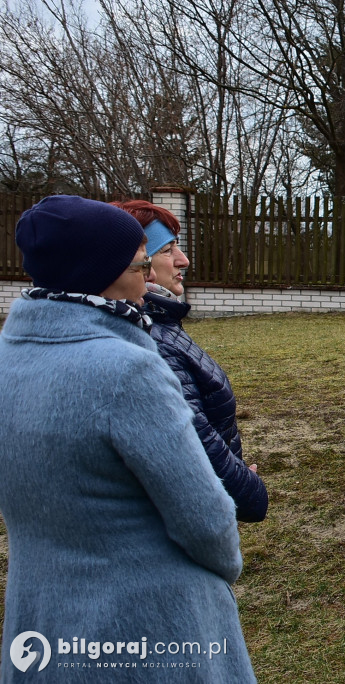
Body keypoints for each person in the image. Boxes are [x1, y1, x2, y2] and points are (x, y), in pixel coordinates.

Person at [0, 195, 255, 679]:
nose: (150, 273)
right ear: (104, 271)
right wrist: (225, 566)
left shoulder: (7, 358)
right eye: (141, 261)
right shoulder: (126, 369)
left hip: (43, 622)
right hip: (148, 627)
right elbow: (204, 520)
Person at [109, 200, 268, 523]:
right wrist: (246, 489)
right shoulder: (149, 337)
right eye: (167, 250)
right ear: (138, 262)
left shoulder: (161, 322)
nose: (184, 260)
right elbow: (193, 436)